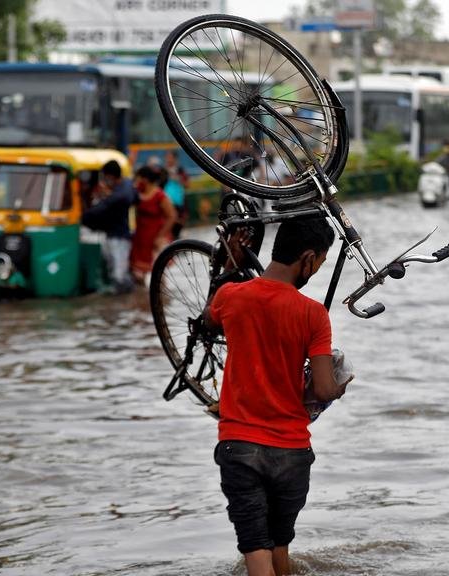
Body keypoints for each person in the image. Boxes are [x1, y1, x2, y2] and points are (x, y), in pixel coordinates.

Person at [204, 217, 351, 576]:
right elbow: (322, 389)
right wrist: (341, 383)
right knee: (280, 547)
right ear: (308, 258)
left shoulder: (231, 296)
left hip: (240, 447)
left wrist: (227, 267)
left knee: (257, 550)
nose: (317, 270)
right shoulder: (313, 314)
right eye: (320, 262)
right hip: (291, 453)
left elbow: (207, 322)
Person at [82, 160, 136, 294]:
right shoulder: (124, 187)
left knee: (119, 274)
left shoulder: (121, 193)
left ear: (111, 176)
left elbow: (103, 207)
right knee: (113, 270)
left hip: (120, 237)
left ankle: (128, 298)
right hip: (111, 234)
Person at [129, 165, 176, 284]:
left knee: (160, 276)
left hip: (156, 238)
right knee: (137, 275)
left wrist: (161, 236)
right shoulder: (137, 193)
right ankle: (141, 301)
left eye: (138, 178)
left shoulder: (160, 195)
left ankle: (160, 301)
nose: (136, 181)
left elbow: (172, 216)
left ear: (145, 179)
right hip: (140, 238)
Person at [163, 149, 189, 240]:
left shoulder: (180, 170)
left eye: (170, 157)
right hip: (166, 202)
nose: (168, 160)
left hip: (178, 202)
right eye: (167, 157)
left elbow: (187, 184)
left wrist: (177, 178)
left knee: (177, 224)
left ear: (175, 159)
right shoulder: (163, 171)